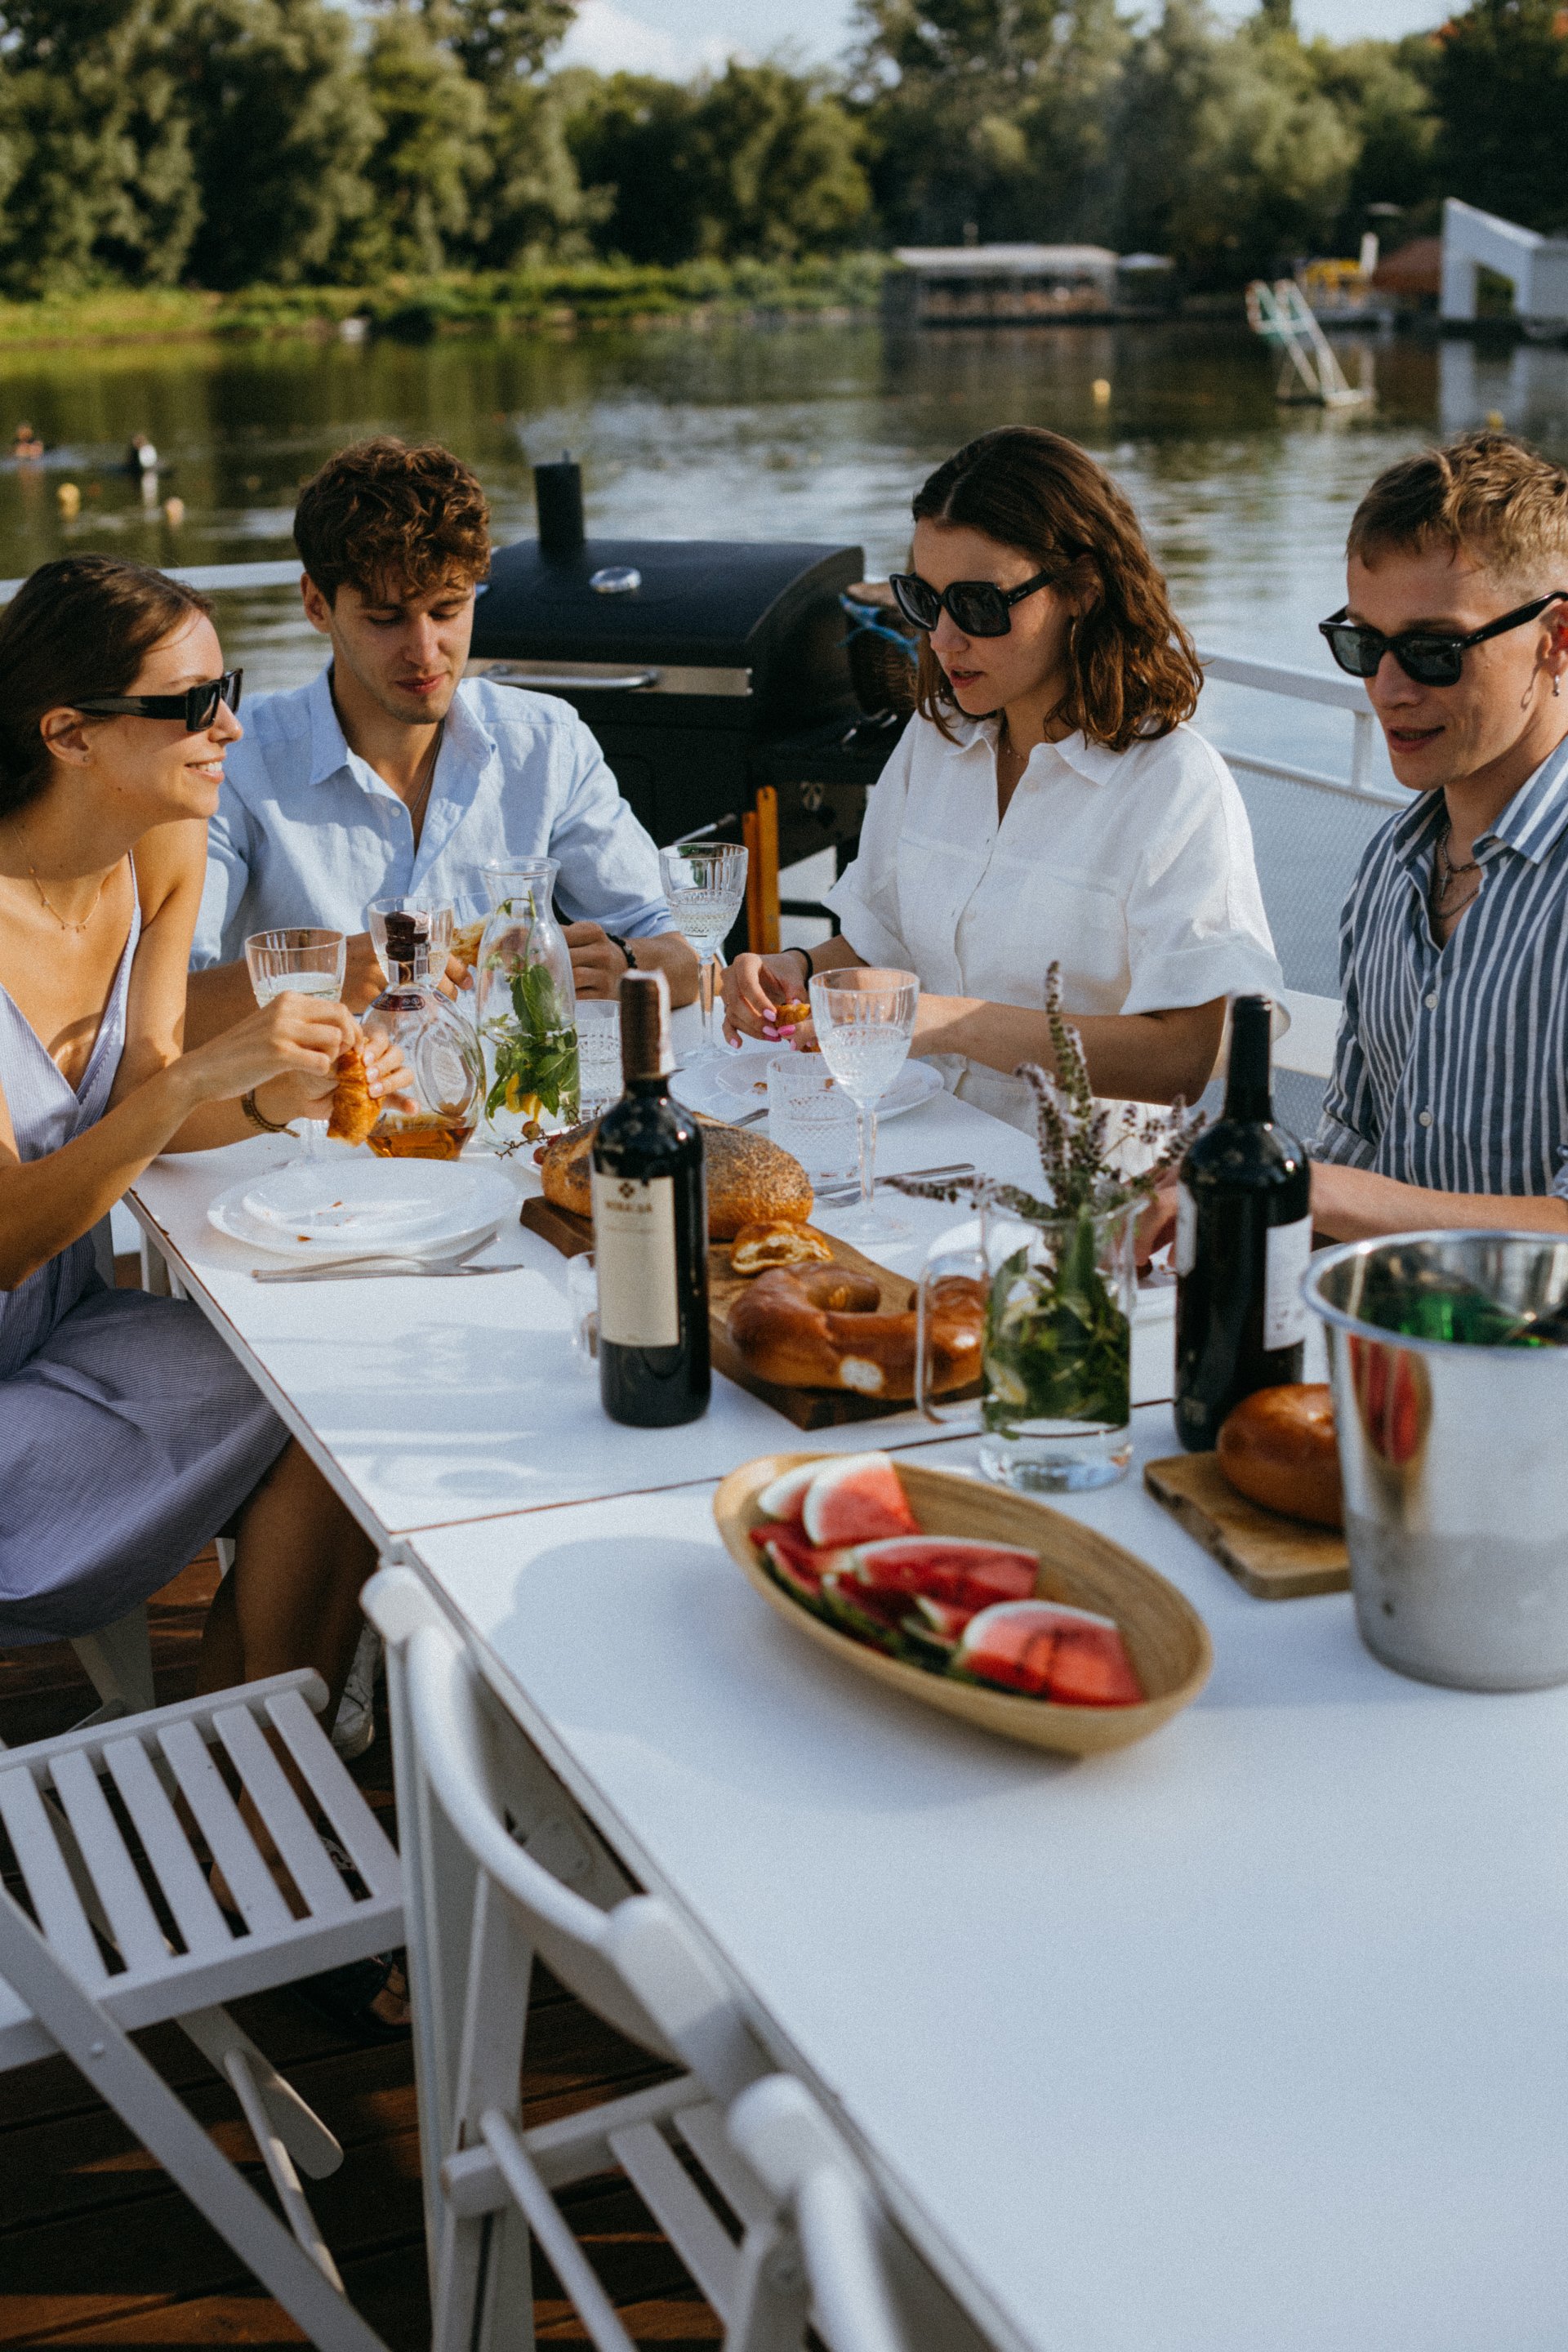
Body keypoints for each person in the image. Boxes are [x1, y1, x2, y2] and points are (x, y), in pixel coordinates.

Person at [0, 553, 407, 1717]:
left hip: (60, 1336)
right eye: (189, 704)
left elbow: (151, 1097)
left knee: (343, 1389)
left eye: (225, 688)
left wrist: (284, 1096)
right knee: (313, 1415)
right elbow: (8, 1236)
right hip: (25, 1352)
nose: (228, 725)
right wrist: (195, 1084)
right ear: (68, 734)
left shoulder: (160, 846)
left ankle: (257, 1771)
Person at [722, 425, 1282, 1132]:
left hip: (1078, 1185)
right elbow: (881, 944)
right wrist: (801, 969)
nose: (942, 639)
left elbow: (1182, 1061)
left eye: (979, 606)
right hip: (912, 1140)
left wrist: (951, 1024)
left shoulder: (1172, 786)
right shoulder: (934, 741)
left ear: (1082, 589)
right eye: (925, 601)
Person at [185, 437, 697, 1040]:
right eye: (386, 619)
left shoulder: (546, 743)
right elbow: (156, 1007)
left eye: (448, 610)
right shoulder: (233, 762)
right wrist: (322, 973)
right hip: (321, 1099)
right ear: (316, 605)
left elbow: (686, 948)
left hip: (508, 1093)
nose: (426, 652)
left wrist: (627, 963)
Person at [1303, 430, 1568, 1239]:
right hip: (1384, 1314)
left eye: (1432, 650)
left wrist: (1321, 1196)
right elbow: (1355, 1140)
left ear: (1555, 640)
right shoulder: (1390, 864)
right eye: (1364, 644)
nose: (1388, 689)